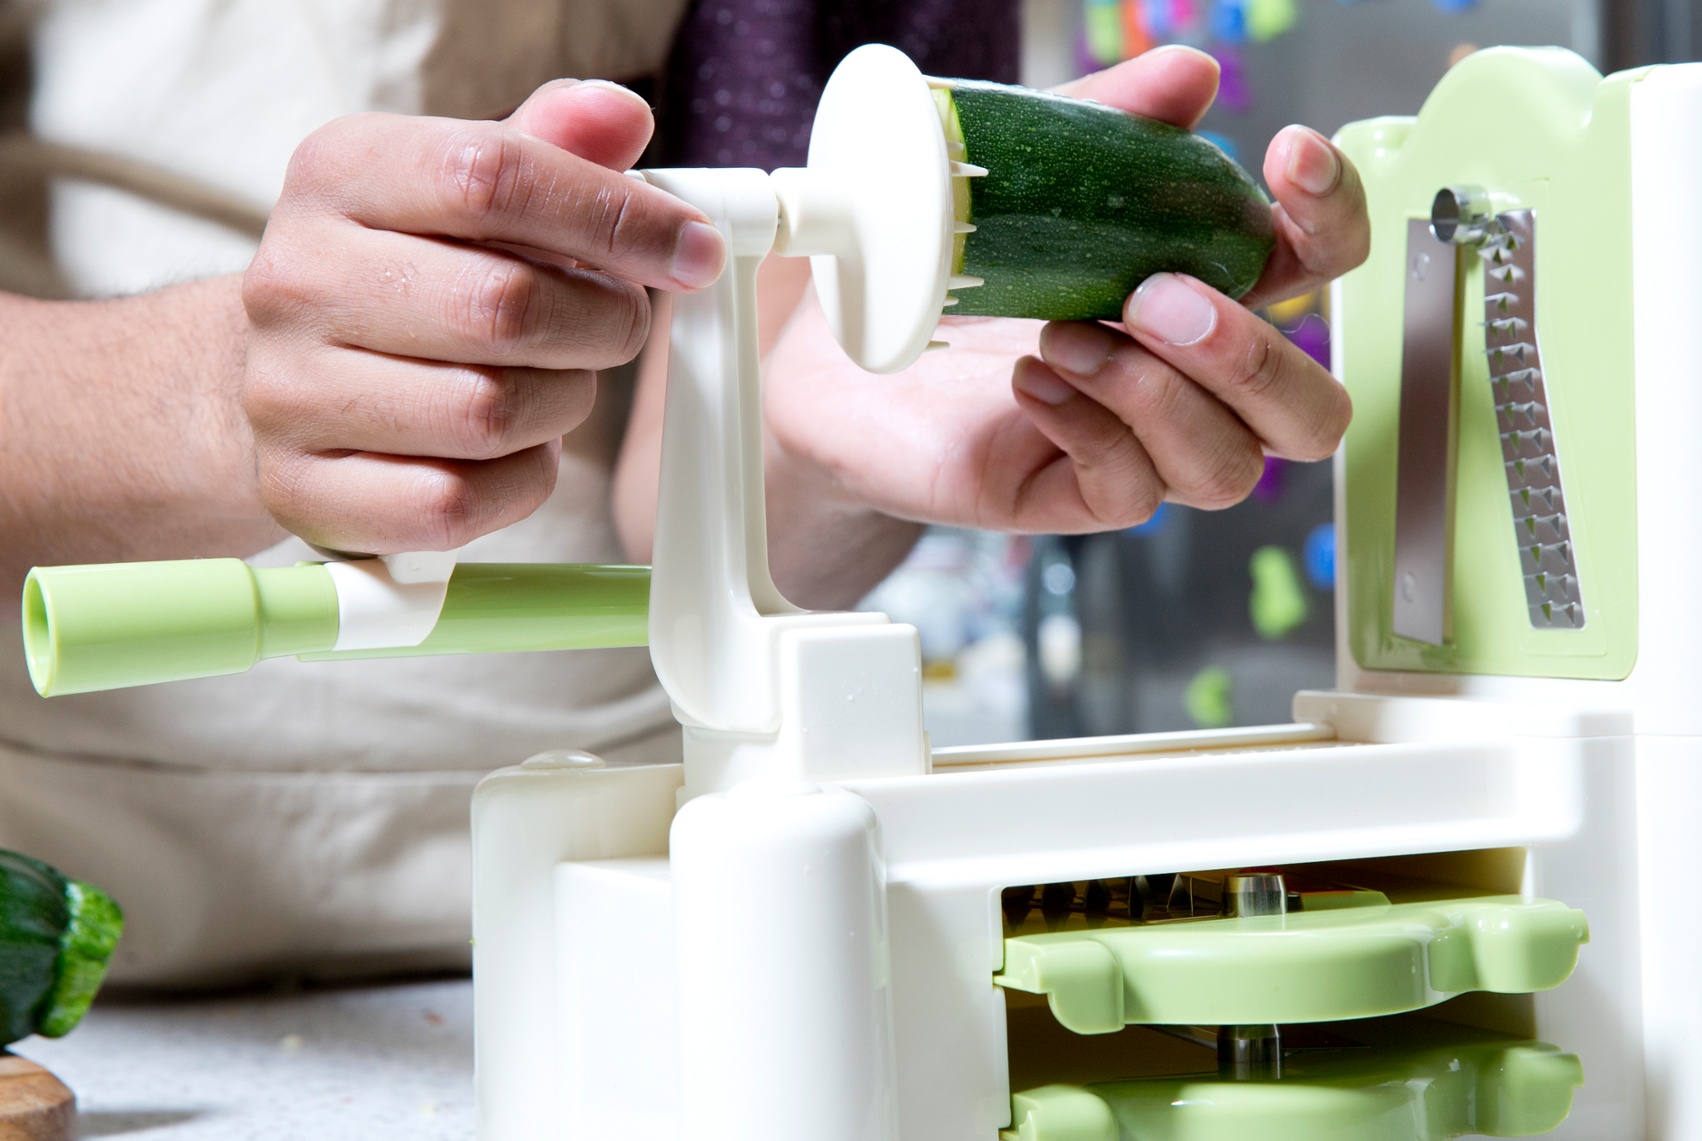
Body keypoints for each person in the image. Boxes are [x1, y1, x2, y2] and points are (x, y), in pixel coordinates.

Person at [0, 1, 1366, 985]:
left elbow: (697, 494)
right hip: (58, 881)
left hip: (616, 890)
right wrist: (205, 395)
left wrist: (824, 437)